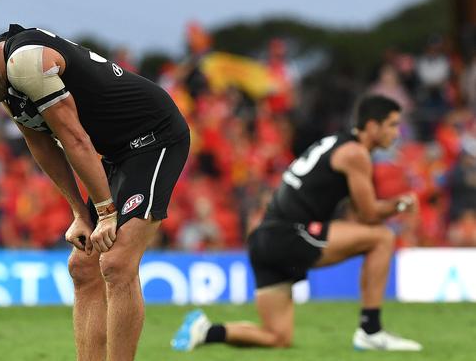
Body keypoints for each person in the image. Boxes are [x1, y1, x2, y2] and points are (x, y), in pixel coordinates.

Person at [0, 24, 190, 361]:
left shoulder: (25, 64)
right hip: (117, 154)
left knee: (116, 262)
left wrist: (106, 214)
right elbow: (42, 146)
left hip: (156, 138)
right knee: (82, 265)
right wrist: (80, 214)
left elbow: (75, 139)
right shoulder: (4, 81)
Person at [171, 95, 422, 352]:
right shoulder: (355, 154)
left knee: (277, 338)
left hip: (264, 240)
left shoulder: (335, 143)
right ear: (372, 126)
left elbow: (359, 212)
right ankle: (371, 329)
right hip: (289, 234)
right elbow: (369, 215)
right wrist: (401, 204)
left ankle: (206, 331)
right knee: (382, 238)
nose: (397, 132)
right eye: (392, 125)